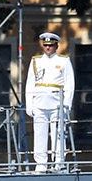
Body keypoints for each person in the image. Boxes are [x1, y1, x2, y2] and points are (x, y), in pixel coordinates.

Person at [25, 32, 73, 171]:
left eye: (50, 45)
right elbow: (30, 83)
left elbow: (69, 85)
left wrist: (67, 104)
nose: (47, 48)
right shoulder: (36, 61)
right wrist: (29, 103)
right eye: (45, 45)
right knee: (39, 134)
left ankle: (59, 162)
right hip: (39, 102)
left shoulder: (64, 61)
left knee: (58, 134)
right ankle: (41, 164)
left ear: (56, 46)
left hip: (57, 104)